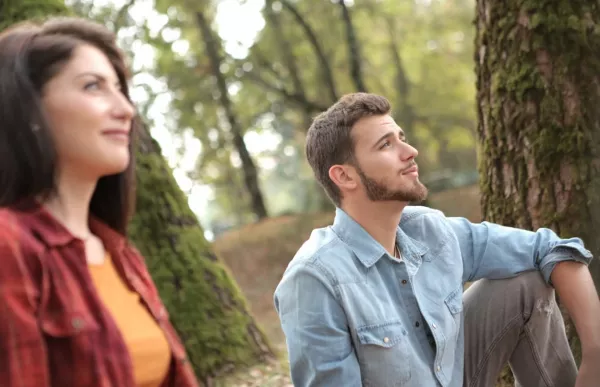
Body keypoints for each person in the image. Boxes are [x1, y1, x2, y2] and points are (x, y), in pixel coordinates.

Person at [274, 93, 600, 387]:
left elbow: (552, 249)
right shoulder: (313, 280)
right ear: (344, 176)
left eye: (402, 138)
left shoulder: (431, 231)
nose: (410, 151)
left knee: (526, 283)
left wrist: (596, 354)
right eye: (386, 145)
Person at [0, 17, 199, 387]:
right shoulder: (9, 245)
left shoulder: (118, 253)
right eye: (93, 86)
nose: (125, 109)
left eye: (120, 90)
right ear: (28, 109)